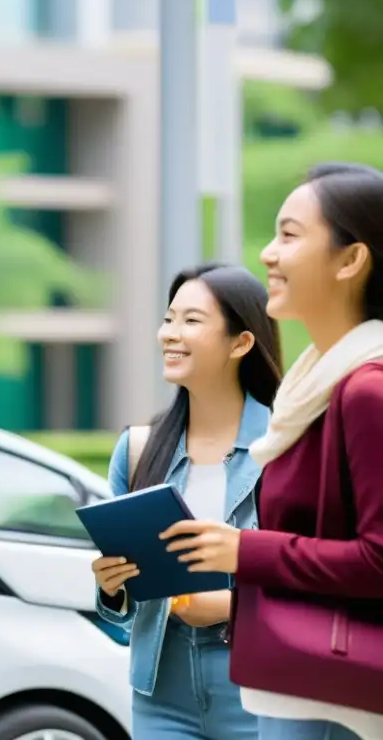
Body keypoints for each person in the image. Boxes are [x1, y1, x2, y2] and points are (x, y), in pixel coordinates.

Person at [162, 164, 383, 740]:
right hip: (302, 687)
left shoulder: (367, 390)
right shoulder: (315, 388)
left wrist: (244, 550)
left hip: (340, 699)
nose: (267, 253)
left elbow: (379, 559)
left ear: (350, 260)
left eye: (289, 235)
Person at [91, 263, 282, 739]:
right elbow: (125, 611)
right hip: (162, 689)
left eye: (192, 321)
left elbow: (315, 571)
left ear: (241, 342)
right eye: (169, 318)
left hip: (261, 683)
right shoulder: (138, 449)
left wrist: (230, 604)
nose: (170, 334)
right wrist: (112, 586)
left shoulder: (288, 446)